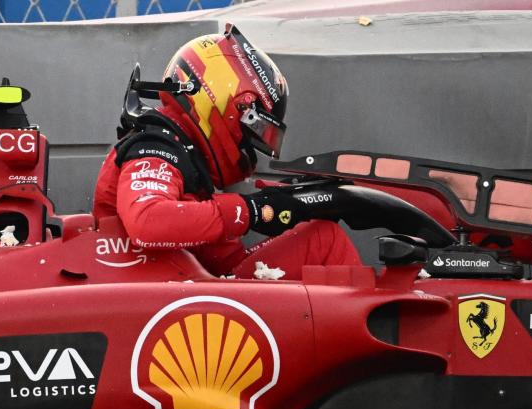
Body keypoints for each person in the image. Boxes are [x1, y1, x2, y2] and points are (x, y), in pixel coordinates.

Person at [92, 24, 361, 280]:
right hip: (152, 300)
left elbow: (225, 263)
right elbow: (147, 223)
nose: (248, 144)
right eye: (252, 127)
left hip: (177, 295)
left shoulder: (185, 157)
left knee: (319, 237)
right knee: (327, 240)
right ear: (222, 102)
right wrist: (250, 210)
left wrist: (290, 202)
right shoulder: (155, 148)